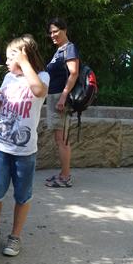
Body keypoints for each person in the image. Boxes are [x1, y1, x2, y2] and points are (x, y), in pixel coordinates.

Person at [0, 34, 49, 256]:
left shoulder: (42, 77)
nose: (7, 62)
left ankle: (15, 237)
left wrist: (24, 61)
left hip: (25, 150)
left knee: (22, 195)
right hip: (0, 145)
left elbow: (39, 91)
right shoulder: (8, 78)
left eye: (11, 57)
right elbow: (0, 107)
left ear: (24, 57)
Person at [44, 17, 79, 188]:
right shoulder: (60, 50)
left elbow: (74, 73)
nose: (53, 35)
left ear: (64, 30)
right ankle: (63, 173)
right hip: (54, 97)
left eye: (56, 31)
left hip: (60, 99)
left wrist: (64, 96)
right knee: (59, 138)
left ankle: (65, 177)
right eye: (51, 32)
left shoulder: (69, 48)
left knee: (62, 139)